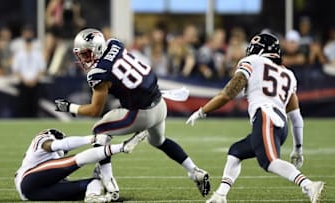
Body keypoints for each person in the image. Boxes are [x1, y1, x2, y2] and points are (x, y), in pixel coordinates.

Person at [54, 28, 210, 201]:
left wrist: (69, 108)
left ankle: (110, 184)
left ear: (97, 49)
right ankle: (194, 171)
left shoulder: (98, 73)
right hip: (159, 103)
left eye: (86, 54)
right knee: (158, 141)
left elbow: (95, 110)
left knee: (99, 131)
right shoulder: (115, 44)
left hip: (141, 113)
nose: (83, 59)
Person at [186, 33, 325, 203]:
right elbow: (296, 118)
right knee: (236, 151)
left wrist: (202, 111)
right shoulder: (289, 75)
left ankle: (308, 184)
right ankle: (220, 195)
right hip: (281, 126)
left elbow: (229, 93)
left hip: (266, 116)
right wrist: (298, 148)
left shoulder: (252, 61)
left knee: (269, 162)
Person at [14, 128, 146, 202]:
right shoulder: (42, 141)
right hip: (28, 181)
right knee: (78, 159)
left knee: (94, 182)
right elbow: (58, 145)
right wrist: (91, 139)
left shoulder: (53, 158)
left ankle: (92, 197)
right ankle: (122, 147)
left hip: (35, 194)